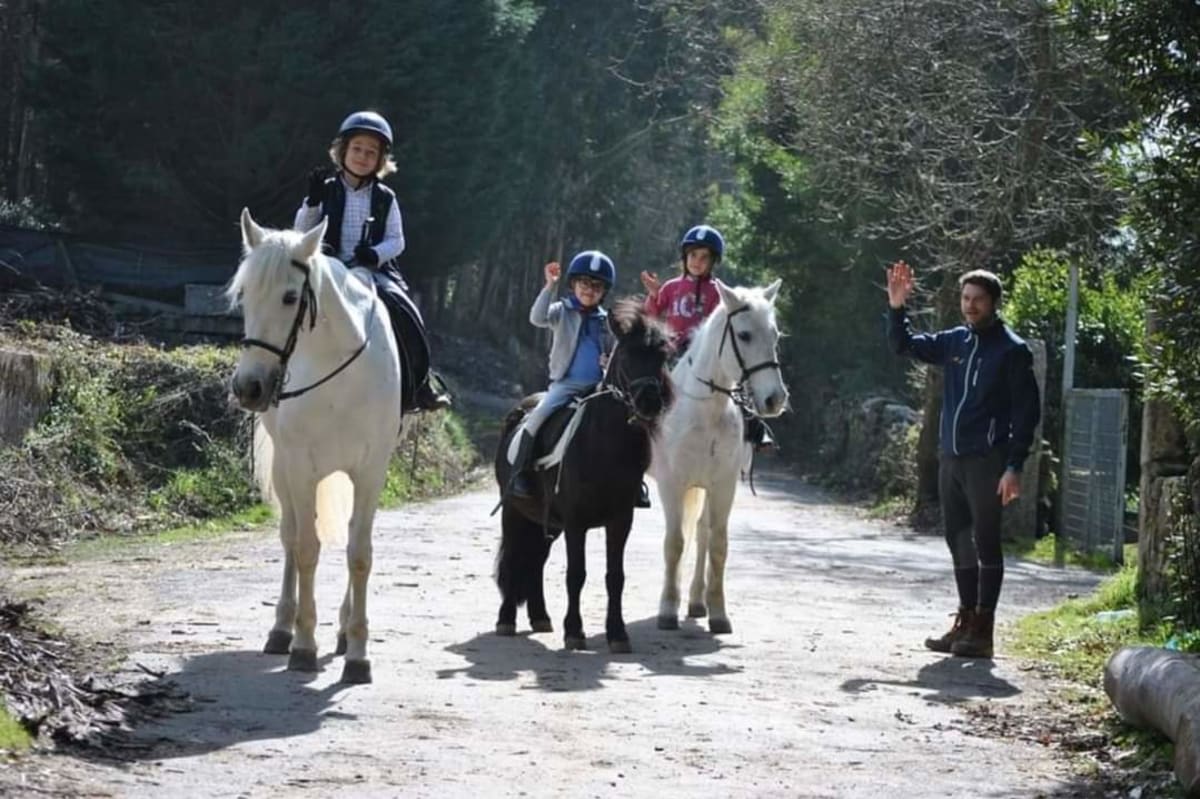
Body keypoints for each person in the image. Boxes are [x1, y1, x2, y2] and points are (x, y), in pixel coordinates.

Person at [886, 259, 1041, 658]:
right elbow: (903, 346)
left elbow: (1028, 414)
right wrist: (897, 307)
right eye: (966, 298)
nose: (970, 305)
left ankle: (984, 631)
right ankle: (965, 622)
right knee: (958, 541)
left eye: (978, 300)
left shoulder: (1012, 351)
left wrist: (1014, 466)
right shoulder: (956, 341)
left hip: (987, 462)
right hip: (951, 459)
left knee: (986, 543)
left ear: (994, 303)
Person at [294, 110, 451, 412]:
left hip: (372, 273)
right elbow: (300, 234)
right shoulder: (324, 190)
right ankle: (269, 377)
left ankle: (420, 384)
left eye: (371, 152)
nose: (363, 157)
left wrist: (375, 254)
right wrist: (312, 202)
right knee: (285, 305)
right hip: (327, 270)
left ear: (380, 160)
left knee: (407, 313)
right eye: (357, 149)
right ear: (342, 151)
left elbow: (397, 240)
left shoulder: (386, 197)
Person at [641, 224, 774, 451]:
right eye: (693, 255)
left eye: (704, 257)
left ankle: (756, 429)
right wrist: (654, 295)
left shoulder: (718, 291)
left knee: (735, 387)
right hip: (674, 348)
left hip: (705, 350)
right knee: (648, 381)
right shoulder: (671, 287)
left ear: (713, 262)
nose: (697, 261)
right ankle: (640, 427)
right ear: (685, 256)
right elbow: (652, 315)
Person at [507, 251, 616, 499]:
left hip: (598, 387)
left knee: (626, 421)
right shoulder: (562, 310)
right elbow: (537, 318)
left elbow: (614, 351)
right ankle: (520, 472)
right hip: (565, 384)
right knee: (538, 417)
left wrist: (609, 361)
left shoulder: (607, 321)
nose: (589, 290)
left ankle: (631, 483)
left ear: (604, 291)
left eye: (597, 286)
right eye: (584, 284)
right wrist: (549, 286)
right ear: (573, 284)